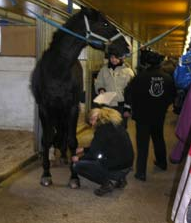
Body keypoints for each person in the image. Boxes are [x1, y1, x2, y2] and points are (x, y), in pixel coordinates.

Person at [125, 50, 176, 181]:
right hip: (158, 115)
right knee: (158, 138)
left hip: (142, 116)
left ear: (146, 62)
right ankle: (162, 162)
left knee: (142, 144)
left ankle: (141, 172)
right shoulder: (167, 78)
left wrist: (134, 107)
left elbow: (129, 95)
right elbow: (172, 97)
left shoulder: (139, 78)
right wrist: (162, 106)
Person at [72, 107, 134, 196]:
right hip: (127, 165)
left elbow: (94, 154)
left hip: (116, 166)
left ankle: (107, 183)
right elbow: (104, 146)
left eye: (91, 122)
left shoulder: (101, 130)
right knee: (104, 156)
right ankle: (120, 179)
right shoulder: (116, 124)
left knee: (77, 166)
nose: (92, 125)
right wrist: (84, 149)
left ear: (94, 118)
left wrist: (79, 158)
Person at [94, 52, 134, 128]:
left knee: (121, 129)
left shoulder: (128, 71)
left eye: (116, 57)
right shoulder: (104, 70)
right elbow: (98, 83)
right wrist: (100, 89)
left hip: (121, 106)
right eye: (112, 57)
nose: (114, 60)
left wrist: (128, 108)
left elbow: (131, 91)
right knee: (106, 127)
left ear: (121, 58)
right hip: (107, 105)